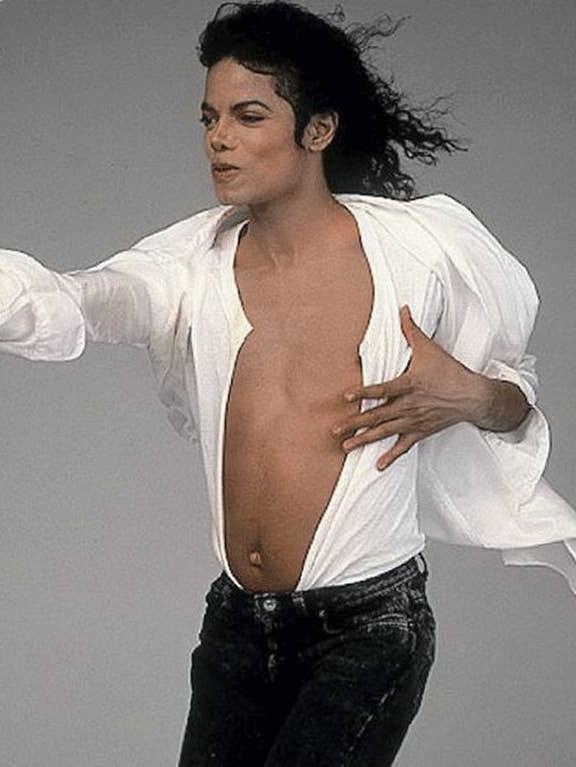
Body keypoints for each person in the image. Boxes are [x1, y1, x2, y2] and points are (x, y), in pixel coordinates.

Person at [1, 1, 575, 765]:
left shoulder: (422, 255)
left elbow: (514, 401)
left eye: (248, 116)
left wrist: (471, 394)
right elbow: (79, 300)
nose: (219, 138)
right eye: (209, 117)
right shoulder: (190, 267)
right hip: (237, 627)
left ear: (318, 129)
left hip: (367, 629)